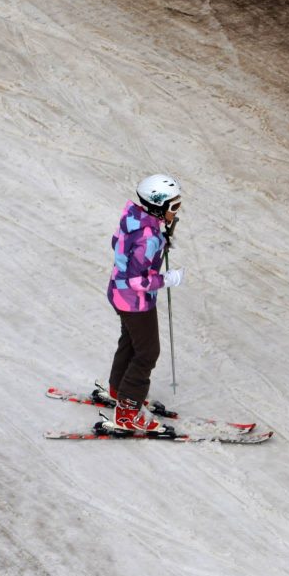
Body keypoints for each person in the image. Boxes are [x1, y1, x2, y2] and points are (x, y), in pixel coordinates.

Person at [94, 174, 185, 434]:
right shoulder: (149, 237)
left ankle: (117, 390)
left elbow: (117, 243)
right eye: (174, 206)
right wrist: (167, 278)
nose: (177, 211)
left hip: (118, 292)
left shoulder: (134, 218)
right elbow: (137, 280)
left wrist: (161, 241)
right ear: (158, 206)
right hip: (136, 302)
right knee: (147, 352)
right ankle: (127, 412)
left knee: (131, 342)